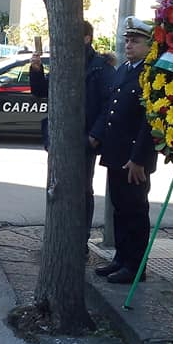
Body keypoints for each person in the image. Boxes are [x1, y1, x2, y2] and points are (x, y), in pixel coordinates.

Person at [29, 19, 115, 234]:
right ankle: (59, 234)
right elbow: (41, 92)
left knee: (82, 190)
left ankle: (80, 239)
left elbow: (109, 105)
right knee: (58, 187)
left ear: (87, 38)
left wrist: (94, 136)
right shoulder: (64, 62)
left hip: (84, 139)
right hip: (59, 138)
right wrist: (36, 70)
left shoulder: (100, 67)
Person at [89, 17, 158, 284]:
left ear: (149, 45)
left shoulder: (151, 74)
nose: (129, 45)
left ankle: (135, 266)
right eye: (127, 40)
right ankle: (121, 257)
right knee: (119, 208)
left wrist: (139, 158)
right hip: (115, 152)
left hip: (134, 157)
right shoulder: (125, 69)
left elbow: (149, 121)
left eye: (135, 41)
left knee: (135, 211)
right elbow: (111, 107)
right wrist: (98, 135)